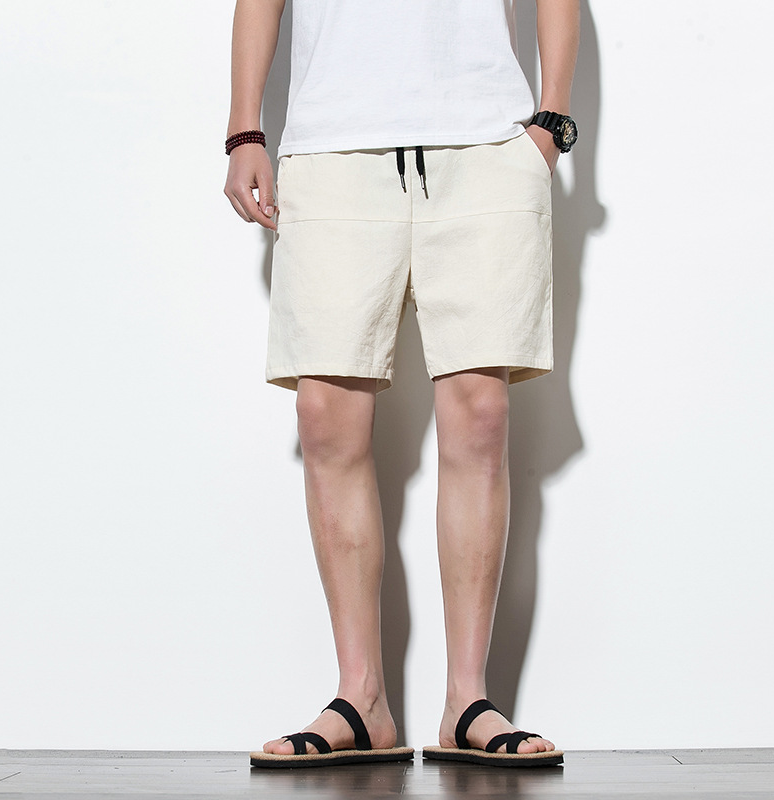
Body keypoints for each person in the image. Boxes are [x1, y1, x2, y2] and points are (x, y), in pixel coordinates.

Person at [224, 0, 579, 769]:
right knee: (325, 417)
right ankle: (362, 699)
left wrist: (552, 121)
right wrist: (245, 130)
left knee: (480, 413)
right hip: (330, 140)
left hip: (485, 137)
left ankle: (467, 701)